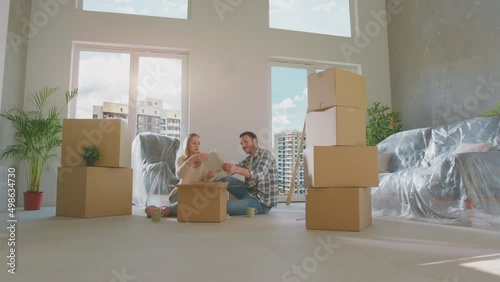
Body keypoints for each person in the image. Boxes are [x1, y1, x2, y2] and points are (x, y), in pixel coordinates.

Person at [145, 133, 214, 218]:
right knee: (186, 204)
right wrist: (192, 160)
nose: (197, 146)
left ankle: (163, 210)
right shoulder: (181, 159)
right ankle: (168, 210)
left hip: (194, 195)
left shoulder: (203, 162)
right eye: (194, 143)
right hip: (179, 193)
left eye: (198, 143)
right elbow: (180, 175)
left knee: (194, 204)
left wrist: (208, 177)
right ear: (187, 144)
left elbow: (204, 183)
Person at [219, 131, 279, 215]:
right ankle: (240, 202)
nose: (243, 145)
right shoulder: (249, 159)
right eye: (241, 143)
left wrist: (237, 169)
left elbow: (259, 174)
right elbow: (236, 167)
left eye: (246, 142)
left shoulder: (266, 155)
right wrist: (225, 168)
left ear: (254, 141)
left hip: (261, 202)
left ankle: (240, 204)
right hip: (249, 192)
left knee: (223, 207)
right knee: (222, 179)